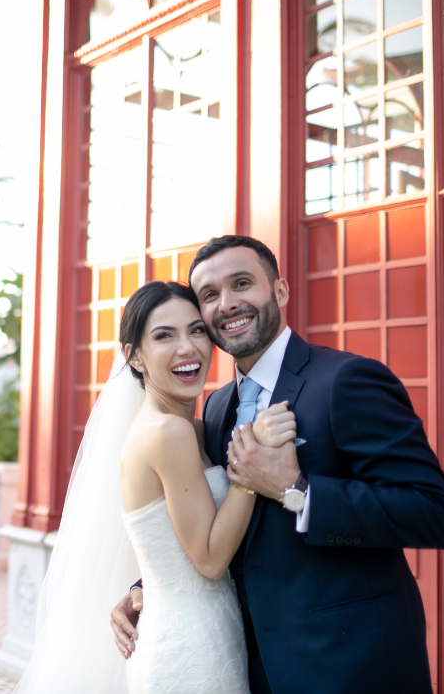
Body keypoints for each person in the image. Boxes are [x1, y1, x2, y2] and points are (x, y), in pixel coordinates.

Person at [111, 235, 444, 694]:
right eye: (210, 296)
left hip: (350, 666)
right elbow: (207, 520)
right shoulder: (213, 409)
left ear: (279, 291)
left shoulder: (346, 381)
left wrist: (298, 489)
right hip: (246, 667)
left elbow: (435, 515)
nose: (228, 304)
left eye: (242, 283)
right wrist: (149, 587)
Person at [14, 280, 280, 694]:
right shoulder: (167, 432)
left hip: (202, 630)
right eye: (164, 336)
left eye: (195, 330)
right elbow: (209, 560)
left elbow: (168, 548)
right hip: (192, 651)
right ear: (134, 356)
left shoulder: (194, 426)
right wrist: (250, 469)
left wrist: (138, 590)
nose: (188, 348)